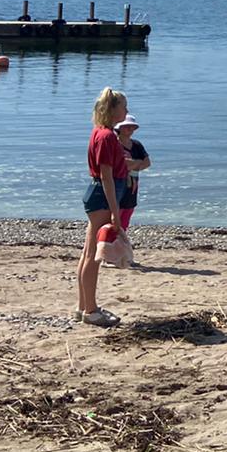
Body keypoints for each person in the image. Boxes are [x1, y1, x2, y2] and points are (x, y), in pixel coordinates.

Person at [77, 87, 129, 327]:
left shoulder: (101, 132)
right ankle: (90, 309)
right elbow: (106, 176)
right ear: (113, 109)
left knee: (88, 253)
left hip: (98, 194)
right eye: (124, 107)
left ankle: (83, 306)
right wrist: (115, 213)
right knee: (94, 256)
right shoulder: (106, 136)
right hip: (102, 196)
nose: (127, 112)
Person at [114, 113, 151, 238]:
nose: (130, 129)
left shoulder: (136, 145)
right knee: (115, 217)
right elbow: (120, 164)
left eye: (132, 127)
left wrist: (132, 164)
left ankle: (120, 242)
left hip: (132, 188)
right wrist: (136, 163)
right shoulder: (114, 145)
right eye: (127, 126)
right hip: (118, 185)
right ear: (119, 128)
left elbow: (147, 163)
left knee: (127, 215)